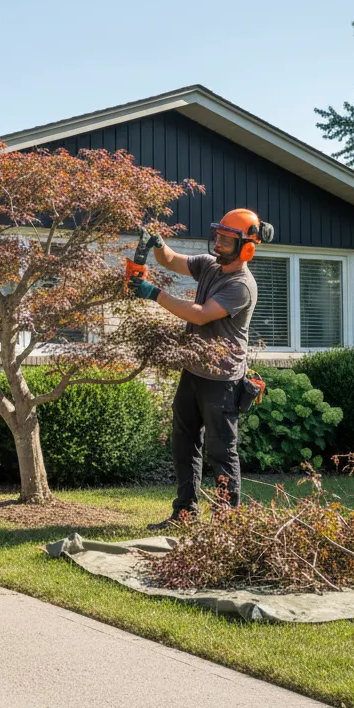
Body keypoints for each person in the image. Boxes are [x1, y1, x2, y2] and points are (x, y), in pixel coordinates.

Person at [128, 209, 272, 530]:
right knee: (184, 443)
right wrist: (157, 243)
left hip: (222, 381)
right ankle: (185, 514)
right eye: (217, 236)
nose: (217, 243)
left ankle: (225, 524)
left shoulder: (242, 285)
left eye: (226, 239)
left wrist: (154, 293)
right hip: (193, 371)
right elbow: (170, 260)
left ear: (245, 247)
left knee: (221, 452)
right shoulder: (209, 265)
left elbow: (200, 314)